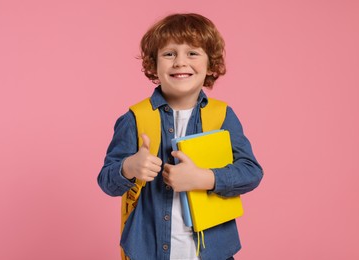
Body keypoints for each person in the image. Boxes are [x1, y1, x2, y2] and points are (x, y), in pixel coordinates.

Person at [97, 13, 263, 260]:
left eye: (192, 53)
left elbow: (251, 172)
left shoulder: (222, 115)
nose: (180, 62)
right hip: (149, 251)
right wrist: (129, 167)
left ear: (211, 63)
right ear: (153, 64)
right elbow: (107, 181)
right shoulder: (135, 118)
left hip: (211, 252)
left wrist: (204, 178)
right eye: (169, 53)